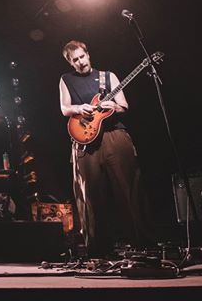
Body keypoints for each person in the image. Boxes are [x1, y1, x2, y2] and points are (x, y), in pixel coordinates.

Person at [58, 40, 153, 258]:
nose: (80, 62)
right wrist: (78, 108)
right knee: (90, 196)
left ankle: (142, 244)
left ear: (88, 54)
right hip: (85, 138)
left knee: (130, 188)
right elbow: (64, 108)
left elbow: (124, 106)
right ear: (70, 63)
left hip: (114, 135)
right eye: (75, 60)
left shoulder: (108, 77)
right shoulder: (66, 79)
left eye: (82, 57)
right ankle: (98, 251)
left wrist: (114, 106)